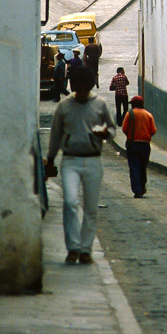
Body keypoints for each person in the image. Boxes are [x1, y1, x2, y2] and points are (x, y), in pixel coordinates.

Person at [45, 66, 115, 265]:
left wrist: (105, 134)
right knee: (70, 202)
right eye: (79, 88)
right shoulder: (64, 106)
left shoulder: (100, 104)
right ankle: (73, 247)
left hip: (94, 160)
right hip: (70, 160)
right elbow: (55, 135)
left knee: (91, 208)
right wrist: (50, 159)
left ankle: (86, 249)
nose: (83, 92)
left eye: (86, 88)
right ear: (74, 86)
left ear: (91, 86)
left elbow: (112, 128)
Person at [122, 95, 156, 198]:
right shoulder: (148, 115)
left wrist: (131, 135)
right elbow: (153, 130)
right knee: (142, 166)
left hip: (133, 144)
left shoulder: (130, 114)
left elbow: (124, 128)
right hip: (145, 145)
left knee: (134, 167)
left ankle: (137, 190)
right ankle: (142, 186)